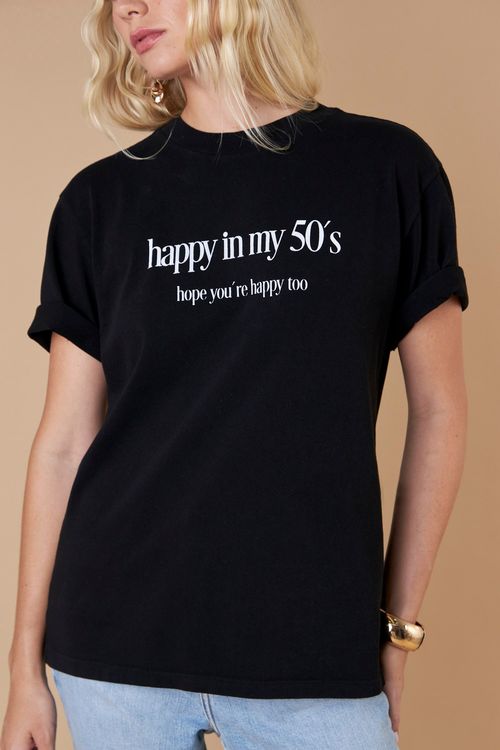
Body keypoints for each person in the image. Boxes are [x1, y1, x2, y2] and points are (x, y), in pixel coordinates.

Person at [2, 0, 469, 748]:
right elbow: (62, 446)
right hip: (115, 653)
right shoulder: (99, 203)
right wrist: (23, 669)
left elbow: (439, 410)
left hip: (313, 655)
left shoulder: (387, 168)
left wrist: (397, 627)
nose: (128, 9)